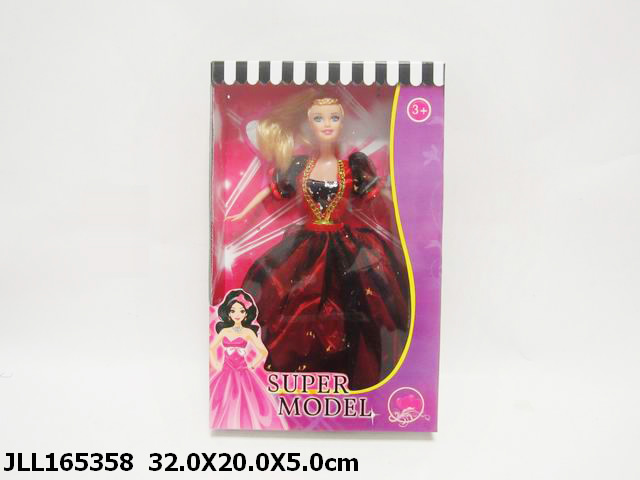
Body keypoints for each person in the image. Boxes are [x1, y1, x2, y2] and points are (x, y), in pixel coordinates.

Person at [229, 90, 409, 390]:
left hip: (344, 244)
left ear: (342, 122)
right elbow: (270, 192)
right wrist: (243, 213)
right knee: (295, 298)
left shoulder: (353, 167)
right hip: (307, 243)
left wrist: (403, 203)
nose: (327, 124)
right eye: (319, 119)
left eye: (334, 118)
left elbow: (379, 193)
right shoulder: (299, 166)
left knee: (351, 302)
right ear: (308, 124)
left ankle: (345, 367)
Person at [209, 289, 287, 430]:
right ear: (228, 313)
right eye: (233, 311)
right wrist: (216, 363)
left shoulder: (248, 332)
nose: (237, 314)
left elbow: (263, 351)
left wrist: (252, 365)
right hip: (225, 372)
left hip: (242, 372)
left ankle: (244, 423)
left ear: (246, 314)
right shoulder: (225, 331)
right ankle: (226, 424)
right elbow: (212, 348)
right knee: (222, 400)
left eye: (241, 311)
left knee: (247, 402)